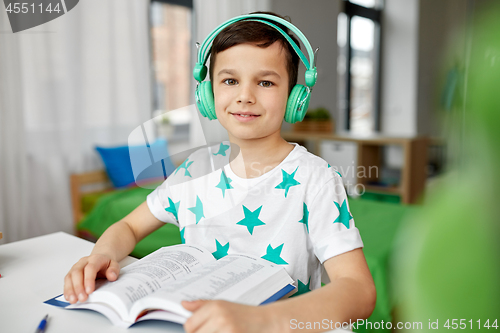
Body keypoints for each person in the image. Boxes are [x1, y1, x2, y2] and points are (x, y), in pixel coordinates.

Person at [64, 12, 376, 333]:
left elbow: (359, 290)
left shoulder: (317, 178)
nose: (245, 95)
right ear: (208, 95)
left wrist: (262, 320)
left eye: (265, 82)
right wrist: (100, 255)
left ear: (295, 97)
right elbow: (129, 226)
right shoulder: (194, 170)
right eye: (230, 80)